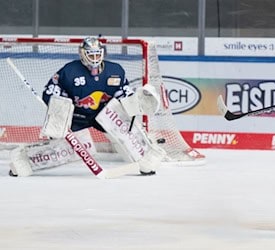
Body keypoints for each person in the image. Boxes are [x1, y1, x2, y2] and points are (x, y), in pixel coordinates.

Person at [9, 36, 163, 177]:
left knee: (125, 127)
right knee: (64, 148)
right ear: (82, 54)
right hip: (77, 115)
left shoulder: (115, 71)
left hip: (105, 113)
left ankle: (145, 159)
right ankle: (24, 160)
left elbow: (124, 94)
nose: (95, 58)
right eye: (91, 54)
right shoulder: (69, 71)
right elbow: (51, 90)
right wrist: (58, 109)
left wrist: (135, 102)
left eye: (97, 54)